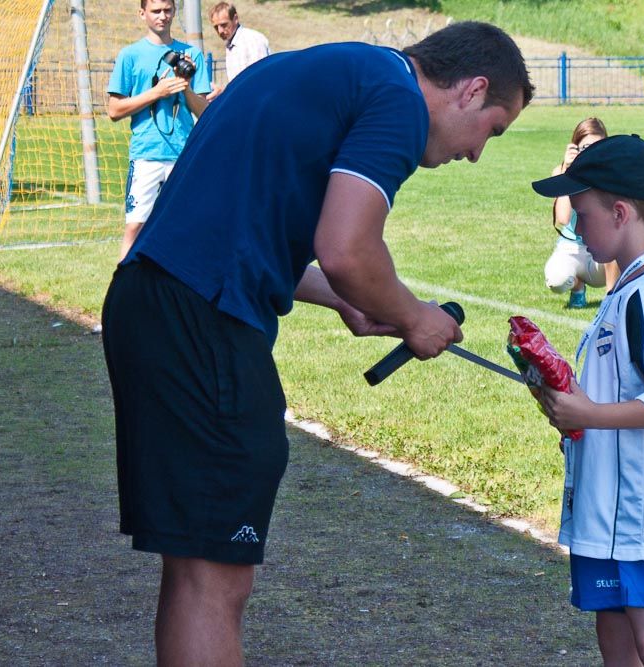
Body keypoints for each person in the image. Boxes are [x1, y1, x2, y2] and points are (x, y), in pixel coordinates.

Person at [101, 21, 533, 666]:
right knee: (216, 578)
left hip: (155, 302)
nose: (476, 154)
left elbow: (243, 234)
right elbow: (347, 250)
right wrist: (414, 317)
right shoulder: (397, 100)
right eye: (492, 130)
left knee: (195, 566)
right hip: (201, 322)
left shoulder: (331, 69)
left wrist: (348, 300)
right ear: (471, 90)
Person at [531, 134, 644, 667]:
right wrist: (567, 405)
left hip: (639, 517)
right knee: (615, 635)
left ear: (621, 213)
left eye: (583, 215)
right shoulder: (624, 290)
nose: (577, 228)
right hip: (606, 514)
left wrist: (589, 414)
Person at [107, 0, 212, 262]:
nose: (162, 16)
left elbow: (206, 113)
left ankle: (181, 283)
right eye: (156, 11)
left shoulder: (191, 54)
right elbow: (114, 110)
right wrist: (157, 92)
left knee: (187, 226)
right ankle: (124, 282)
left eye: (167, 10)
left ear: (174, 11)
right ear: (142, 14)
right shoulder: (130, 55)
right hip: (146, 153)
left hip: (183, 154)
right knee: (135, 226)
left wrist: (185, 88)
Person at [543, 117, 620, 309]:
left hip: (602, 255)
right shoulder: (561, 171)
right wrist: (568, 172)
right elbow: (563, 218)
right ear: (575, 147)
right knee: (556, 280)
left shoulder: (612, 173)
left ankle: (611, 298)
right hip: (572, 249)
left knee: (618, 242)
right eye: (586, 147)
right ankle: (577, 287)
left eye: (598, 146)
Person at [209, 2, 270, 83]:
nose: (220, 31)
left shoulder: (252, 40)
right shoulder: (231, 44)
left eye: (224, 25)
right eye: (216, 27)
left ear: (235, 19)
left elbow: (260, 78)